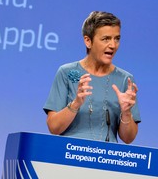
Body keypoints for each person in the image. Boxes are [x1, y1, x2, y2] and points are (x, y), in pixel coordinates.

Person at [43, 11, 141, 144]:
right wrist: (76, 103)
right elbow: (54, 127)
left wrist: (126, 112)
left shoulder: (125, 80)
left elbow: (128, 138)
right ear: (88, 41)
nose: (113, 45)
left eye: (117, 38)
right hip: (69, 155)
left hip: (105, 159)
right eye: (106, 39)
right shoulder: (66, 72)